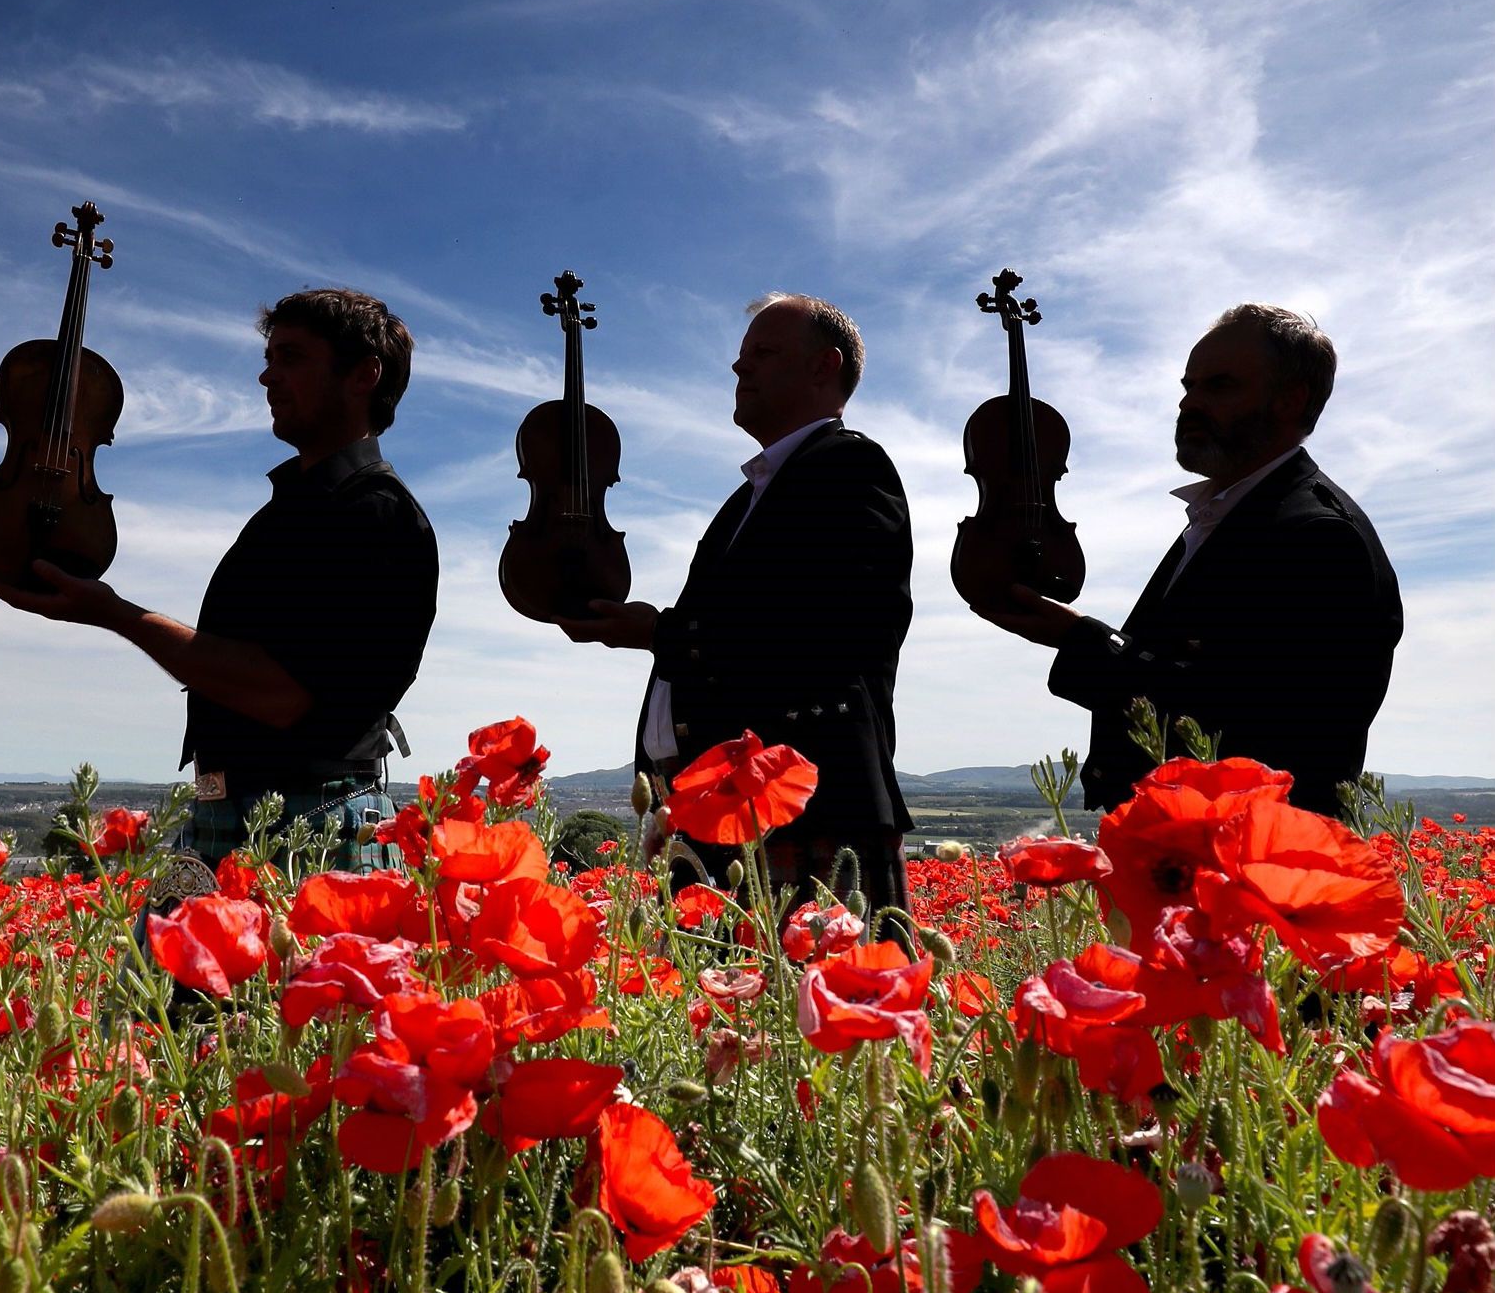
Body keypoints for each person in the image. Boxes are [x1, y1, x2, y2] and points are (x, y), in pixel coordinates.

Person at [0, 287, 439, 865]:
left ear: (363, 375)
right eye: (268, 358)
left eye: (291, 358)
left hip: (306, 828)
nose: (265, 378)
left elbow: (283, 695)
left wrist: (114, 613)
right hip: (242, 817)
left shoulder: (379, 515)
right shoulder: (297, 509)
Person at [974, 303, 1403, 817]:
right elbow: (1187, 669)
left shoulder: (1320, 536)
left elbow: (1242, 720)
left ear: (1290, 400)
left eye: (1218, 386)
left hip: (1247, 857)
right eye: (1188, 387)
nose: (1190, 404)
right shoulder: (1225, 516)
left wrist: (1081, 640)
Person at [563, 293, 915, 915]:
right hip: (731, 814)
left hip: (805, 807)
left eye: (763, 352)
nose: (738, 368)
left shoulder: (852, 466)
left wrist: (663, 634)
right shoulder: (746, 499)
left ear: (821, 366)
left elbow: (840, 626)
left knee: (828, 1008)